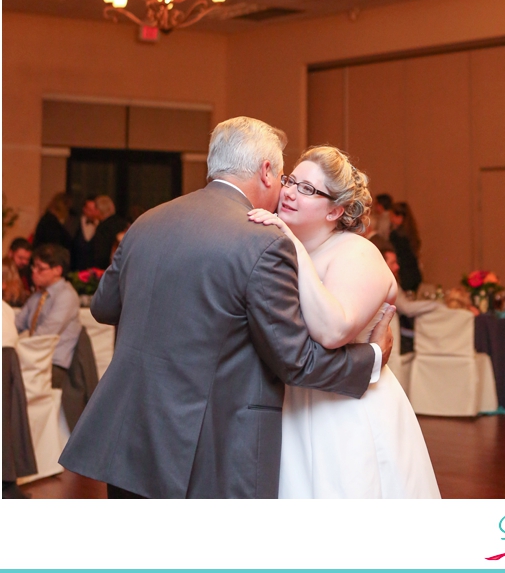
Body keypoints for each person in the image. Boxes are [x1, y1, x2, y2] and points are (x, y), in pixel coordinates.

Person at [60, 117, 399, 499]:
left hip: (127, 434)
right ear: (268, 172)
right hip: (203, 445)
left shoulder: (147, 221)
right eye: (287, 178)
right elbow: (296, 360)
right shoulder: (261, 243)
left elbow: (104, 306)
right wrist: (371, 358)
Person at [248, 144, 439, 498]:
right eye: (290, 181)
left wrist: (291, 243)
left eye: (306, 189)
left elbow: (333, 330)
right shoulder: (285, 249)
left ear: (335, 210)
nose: (288, 192)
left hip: (348, 411)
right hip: (296, 404)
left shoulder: (357, 252)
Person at [15, 244, 93, 429]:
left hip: (56, 364)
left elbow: (45, 334)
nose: (34, 272)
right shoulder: (39, 296)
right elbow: (17, 323)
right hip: (37, 358)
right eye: (33, 267)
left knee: (11, 380)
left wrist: (21, 350)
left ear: (57, 270)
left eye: (40, 268)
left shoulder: (66, 295)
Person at [387, 202, 422, 293]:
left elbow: (397, 256)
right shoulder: (411, 232)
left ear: (399, 216)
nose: (390, 218)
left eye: (391, 215)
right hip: (415, 273)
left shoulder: (396, 235)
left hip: (404, 275)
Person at [89, 196, 129, 271]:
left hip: (107, 269)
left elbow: (100, 254)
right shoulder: (123, 223)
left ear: (99, 210)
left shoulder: (102, 228)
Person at [70, 199, 99, 272]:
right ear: (84, 209)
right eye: (89, 210)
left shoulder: (101, 226)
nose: (92, 213)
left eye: (94, 210)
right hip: (76, 268)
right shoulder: (74, 224)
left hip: (94, 270)